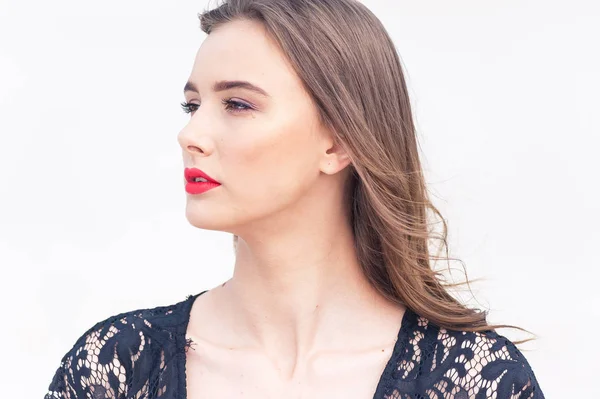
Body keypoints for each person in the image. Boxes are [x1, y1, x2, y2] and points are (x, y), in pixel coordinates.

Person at [44, 0, 545, 398]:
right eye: (192, 104)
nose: (190, 133)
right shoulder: (116, 369)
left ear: (339, 142)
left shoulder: (472, 382)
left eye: (237, 104)